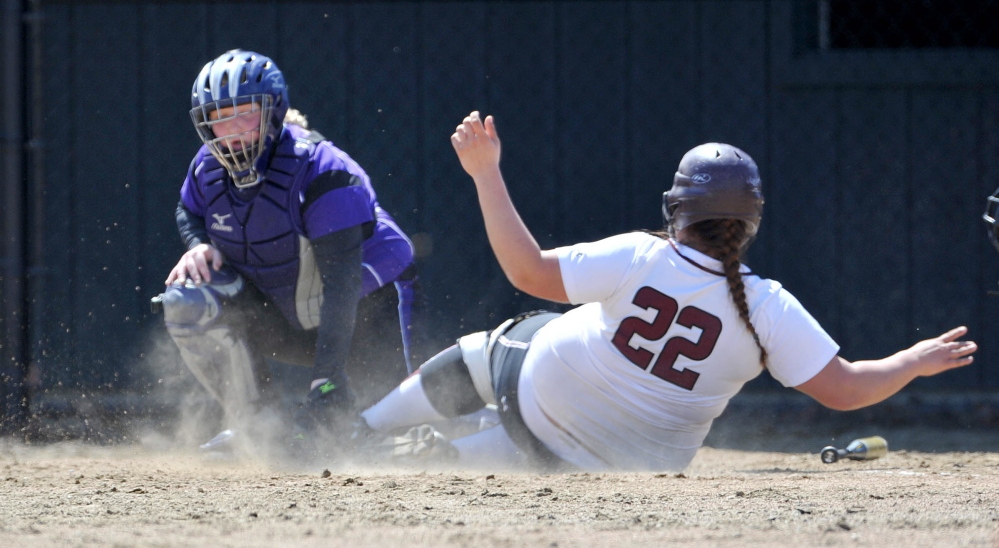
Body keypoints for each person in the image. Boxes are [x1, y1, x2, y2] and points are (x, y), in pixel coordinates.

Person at [352, 111, 978, 472]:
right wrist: (914, 361)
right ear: (751, 222)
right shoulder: (767, 306)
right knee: (466, 454)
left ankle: (363, 425)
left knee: (497, 345)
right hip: (600, 471)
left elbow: (526, 271)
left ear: (677, 208)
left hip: (538, 393)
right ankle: (431, 451)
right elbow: (845, 389)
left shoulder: (643, 254)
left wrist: (486, 174)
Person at [157, 48, 424, 454]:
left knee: (391, 443)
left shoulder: (322, 171)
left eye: (244, 113)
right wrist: (198, 246)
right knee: (186, 300)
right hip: (286, 318)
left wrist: (326, 385)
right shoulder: (206, 168)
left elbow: (342, 286)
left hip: (365, 319)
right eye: (218, 118)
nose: (231, 130)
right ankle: (256, 425)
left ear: (272, 112)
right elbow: (187, 210)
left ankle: (460, 421)